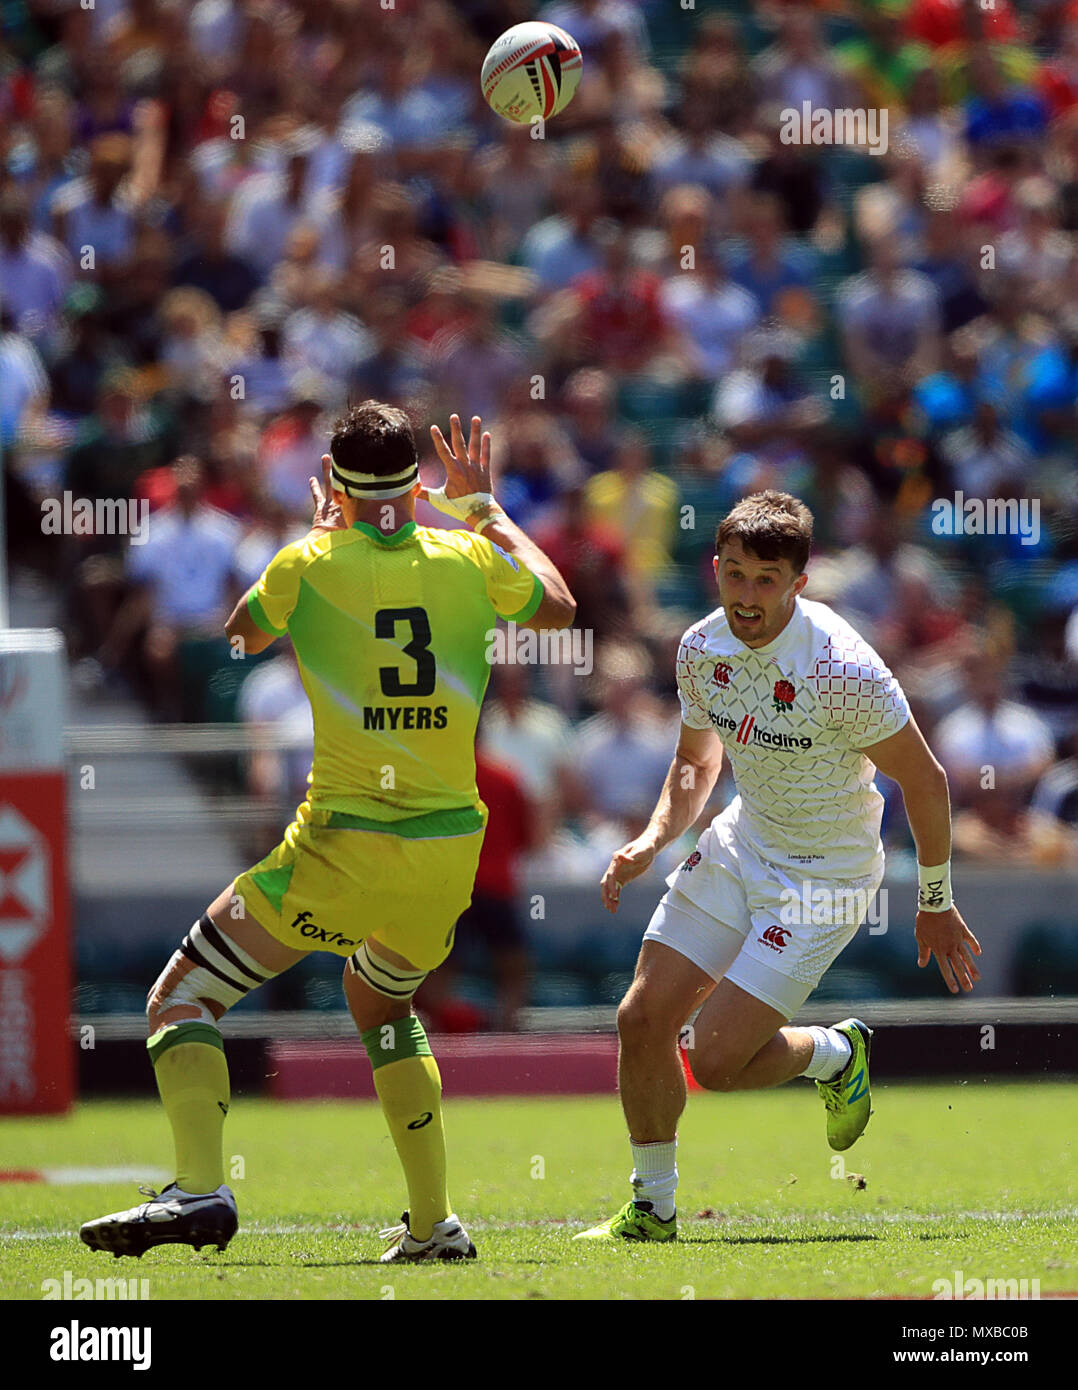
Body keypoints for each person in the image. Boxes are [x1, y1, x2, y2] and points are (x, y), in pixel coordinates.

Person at [79, 404, 575, 1263]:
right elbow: (561, 606)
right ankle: (433, 1225)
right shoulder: (467, 556)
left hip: (342, 843)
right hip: (448, 850)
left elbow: (238, 634)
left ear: (335, 486)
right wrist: (486, 508)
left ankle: (200, 1188)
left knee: (182, 999)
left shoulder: (306, 561)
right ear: (419, 485)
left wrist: (318, 540)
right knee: (383, 1000)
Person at [576, 491, 981, 1243]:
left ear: (799, 581)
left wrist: (934, 896)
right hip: (742, 842)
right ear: (716, 569)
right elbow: (696, 763)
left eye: (766, 580)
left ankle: (835, 1052)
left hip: (825, 876)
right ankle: (653, 1210)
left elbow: (925, 781)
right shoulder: (700, 649)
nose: (747, 596)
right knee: (641, 1018)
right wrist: (653, 837)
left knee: (718, 1061)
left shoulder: (841, 669)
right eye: (735, 574)